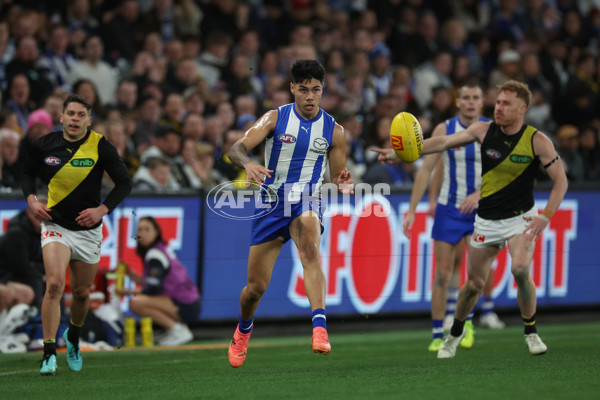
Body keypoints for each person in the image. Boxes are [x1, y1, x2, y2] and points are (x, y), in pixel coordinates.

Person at [375, 80, 568, 358]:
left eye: (505, 104)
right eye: (498, 102)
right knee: (473, 284)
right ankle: (455, 334)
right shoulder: (482, 130)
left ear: (522, 108)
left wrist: (546, 216)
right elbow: (442, 142)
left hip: (521, 219)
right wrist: (401, 151)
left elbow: (561, 181)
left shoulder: (537, 140)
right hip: (486, 221)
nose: (498, 107)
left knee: (520, 270)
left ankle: (531, 332)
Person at [225, 59, 354, 368]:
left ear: (323, 91)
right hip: (270, 205)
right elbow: (235, 149)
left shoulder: (335, 131)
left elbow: (337, 176)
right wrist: (248, 163)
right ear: (293, 88)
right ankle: (243, 329)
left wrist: (344, 184)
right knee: (254, 290)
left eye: (316, 90)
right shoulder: (274, 118)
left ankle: (320, 328)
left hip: (306, 199)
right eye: (304, 89)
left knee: (310, 245)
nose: (310, 97)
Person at [21, 94, 132, 375]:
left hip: (88, 230)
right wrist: (32, 200)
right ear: (61, 117)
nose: (74, 119)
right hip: (55, 225)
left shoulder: (100, 146)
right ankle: (49, 353)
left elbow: (124, 182)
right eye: (70, 113)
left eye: (80, 115)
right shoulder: (44, 144)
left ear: (88, 120)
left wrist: (102, 210)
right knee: (55, 285)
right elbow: (26, 173)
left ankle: (73, 336)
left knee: (82, 292)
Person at [400, 81, 505, 353]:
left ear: (482, 102)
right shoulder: (444, 129)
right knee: (442, 275)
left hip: (481, 211)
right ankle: (437, 333)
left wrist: (481, 194)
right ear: (458, 102)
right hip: (449, 210)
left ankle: (465, 324)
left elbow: (503, 173)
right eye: (466, 97)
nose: (470, 102)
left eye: (475, 97)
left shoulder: (490, 130)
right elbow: (426, 170)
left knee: (475, 276)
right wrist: (412, 209)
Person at [115, 216, 200, 346]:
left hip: (184, 305)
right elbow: (151, 282)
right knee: (139, 299)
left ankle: (178, 330)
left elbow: (153, 288)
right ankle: (174, 329)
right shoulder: (159, 249)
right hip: (187, 302)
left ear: (156, 231)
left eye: (146, 229)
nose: (142, 233)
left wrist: (127, 291)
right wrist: (130, 274)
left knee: (136, 302)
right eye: (139, 230)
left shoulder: (155, 255)